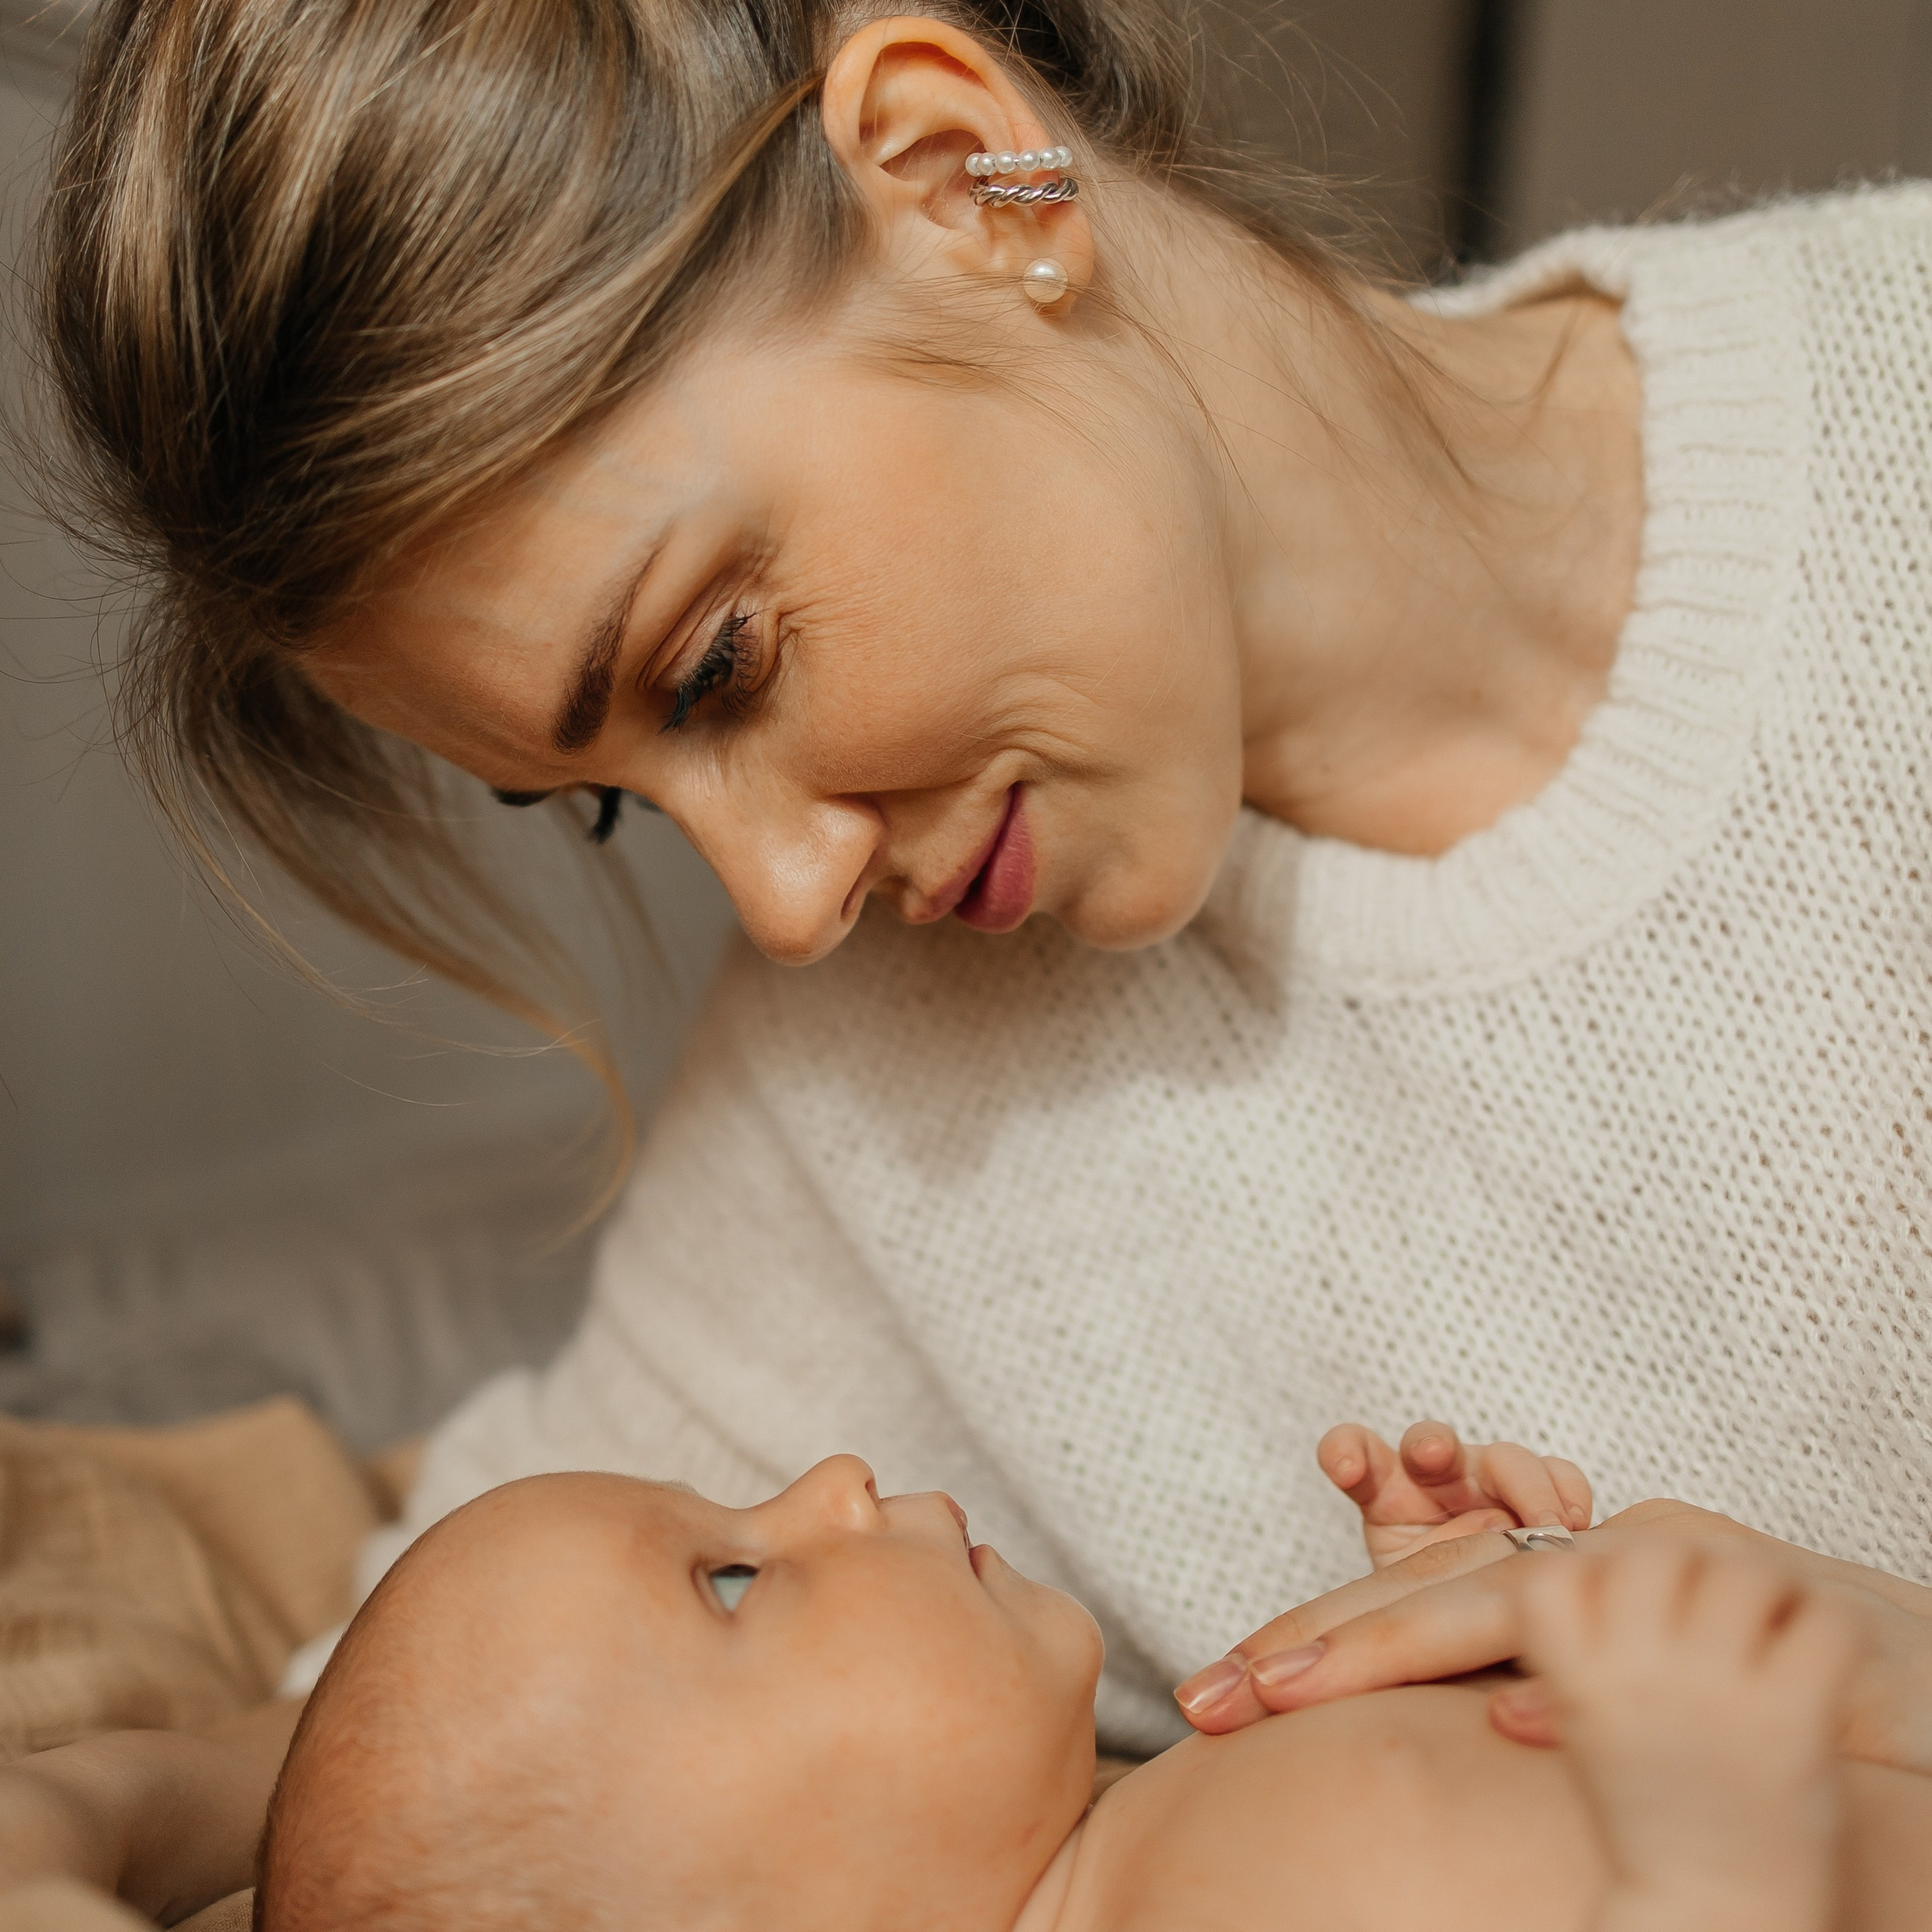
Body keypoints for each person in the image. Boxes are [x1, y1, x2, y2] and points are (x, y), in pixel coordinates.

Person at [33, 0, 1932, 1777]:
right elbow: (465, 1750)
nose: (782, 902)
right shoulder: (866, 1090)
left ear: (958, 174)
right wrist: (86, 1825)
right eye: (606, 804)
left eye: (717, 666)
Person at [253, 1448, 1922, 1932]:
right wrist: (1718, 1855)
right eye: (734, 1576)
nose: (830, 1479)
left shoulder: (1157, 1813)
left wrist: (1447, 1628)